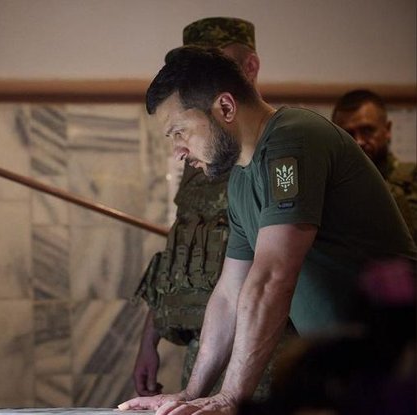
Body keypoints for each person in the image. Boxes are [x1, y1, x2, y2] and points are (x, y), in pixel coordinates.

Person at [119, 46, 417, 414]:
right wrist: (191, 394)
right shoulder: (241, 178)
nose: (179, 151)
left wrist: (231, 398)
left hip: (401, 363)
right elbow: (229, 293)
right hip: (357, 371)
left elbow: (274, 275)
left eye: (180, 132)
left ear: (225, 108)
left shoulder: (293, 138)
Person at [133, 17, 284, 400]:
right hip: (208, 340)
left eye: (214, 63)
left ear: (249, 67)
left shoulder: (271, 150)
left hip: (265, 342)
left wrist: (231, 396)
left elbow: (273, 275)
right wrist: (149, 339)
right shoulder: (203, 155)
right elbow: (182, 245)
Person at [331, 89, 417, 240]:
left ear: (387, 129)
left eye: (367, 130)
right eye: (348, 134)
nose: (359, 141)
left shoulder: (412, 178)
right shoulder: (330, 188)